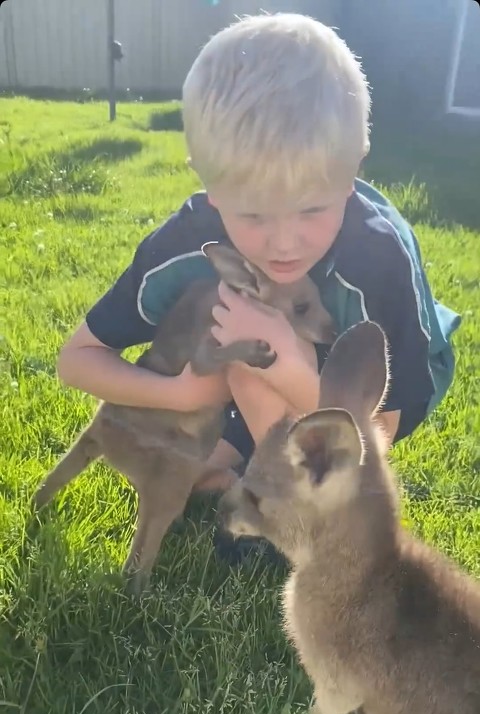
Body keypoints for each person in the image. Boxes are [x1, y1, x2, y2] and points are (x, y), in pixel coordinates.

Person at [56, 13, 461, 562]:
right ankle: (244, 455)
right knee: (191, 464)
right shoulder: (185, 244)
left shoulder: (377, 256)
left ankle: (296, 515)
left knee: (254, 360)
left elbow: (375, 432)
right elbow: (77, 360)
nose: (284, 244)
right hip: (258, 376)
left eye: (312, 210)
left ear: (353, 173)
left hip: (370, 388)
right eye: (253, 215)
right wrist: (184, 395)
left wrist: (289, 365)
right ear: (210, 188)